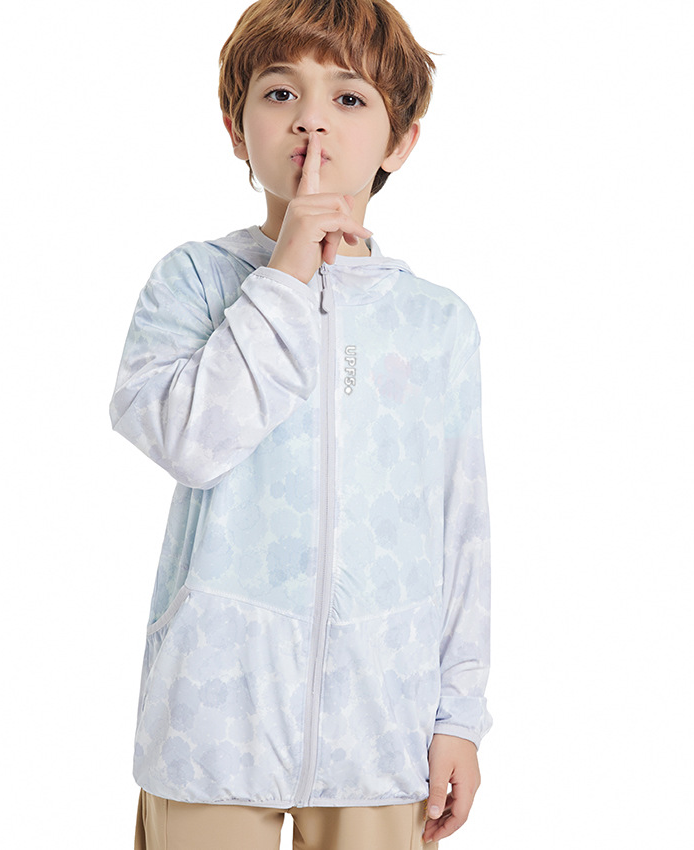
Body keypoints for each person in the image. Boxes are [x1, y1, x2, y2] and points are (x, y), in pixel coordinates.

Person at [108, 1, 493, 847]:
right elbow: (187, 442)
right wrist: (284, 277)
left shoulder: (436, 323)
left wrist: (458, 716)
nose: (312, 120)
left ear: (400, 142)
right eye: (281, 92)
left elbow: (459, 530)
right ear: (235, 128)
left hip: (381, 722)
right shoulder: (192, 283)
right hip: (212, 719)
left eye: (348, 98)